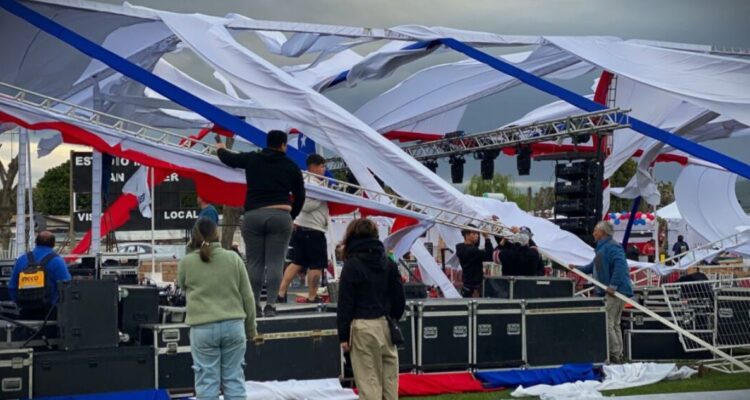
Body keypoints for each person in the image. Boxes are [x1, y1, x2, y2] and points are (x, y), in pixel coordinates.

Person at [217, 130, 305, 317]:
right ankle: (271, 305)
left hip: (253, 215)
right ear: (283, 145)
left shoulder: (253, 159)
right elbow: (300, 195)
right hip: (280, 215)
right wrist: (291, 215)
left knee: (255, 263)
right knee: (275, 262)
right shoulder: (291, 165)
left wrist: (220, 148)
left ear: (267, 143)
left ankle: (254, 305)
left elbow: (229, 159)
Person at [177, 218, 256, 400]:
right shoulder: (233, 258)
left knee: (206, 384)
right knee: (234, 380)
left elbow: (181, 285)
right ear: (217, 234)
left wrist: (191, 249)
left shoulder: (187, 262)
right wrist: (251, 329)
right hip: (234, 326)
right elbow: (248, 297)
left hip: (202, 328)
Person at [337, 218, 405, 400]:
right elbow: (399, 297)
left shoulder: (352, 265)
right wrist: (392, 318)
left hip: (362, 327)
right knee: (390, 384)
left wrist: (343, 335)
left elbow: (345, 303)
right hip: (386, 325)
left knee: (369, 383)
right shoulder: (389, 263)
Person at [572, 221, 633, 364]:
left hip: (615, 292)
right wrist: (576, 269)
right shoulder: (601, 249)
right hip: (609, 291)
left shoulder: (612, 247)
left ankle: (615, 355)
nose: (593, 233)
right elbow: (593, 267)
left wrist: (613, 285)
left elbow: (621, 266)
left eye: (595, 231)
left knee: (608, 322)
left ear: (603, 233)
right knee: (614, 323)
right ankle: (618, 353)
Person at [278, 154, 330, 303]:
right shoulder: (312, 183)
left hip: (303, 228)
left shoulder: (303, 181)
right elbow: (304, 205)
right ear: (313, 166)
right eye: (322, 166)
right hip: (313, 229)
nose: (324, 170)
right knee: (316, 265)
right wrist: (322, 197)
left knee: (297, 262)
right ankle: (312, 296)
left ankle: (280, 292)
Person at [9, 231, 71, 319]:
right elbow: (67, 286)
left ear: (36, 242)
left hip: (26, 311)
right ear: (53, 244)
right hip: (50, 312)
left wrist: (19, 303)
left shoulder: (22, 260)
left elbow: (12, 287)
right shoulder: (57, 261)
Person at [456, 226, 493, 297]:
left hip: (467, 285)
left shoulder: (461, 248)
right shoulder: (472, 251)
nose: (477, 236)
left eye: (477, 233)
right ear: (467, 235)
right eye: (474, 233)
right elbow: (490, 255)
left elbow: (476, 245)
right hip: (474, 288)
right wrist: (487, 238)